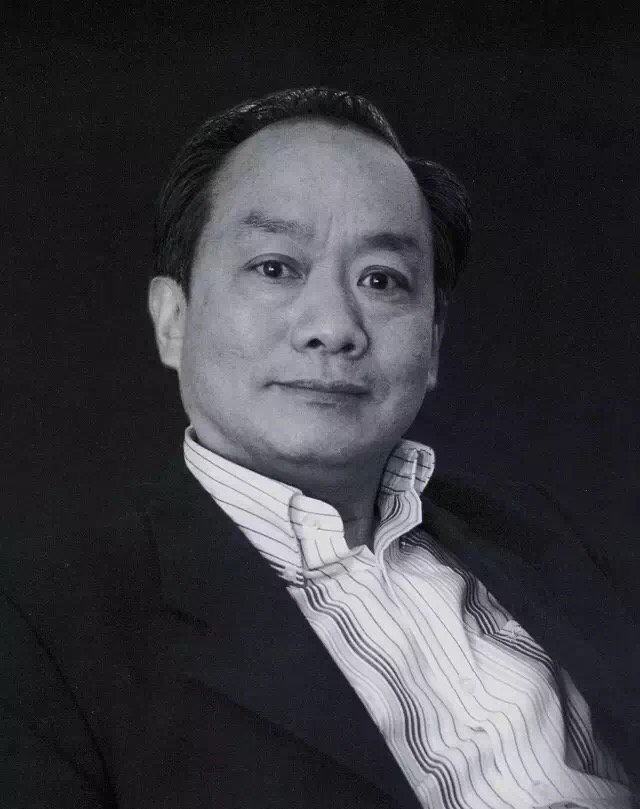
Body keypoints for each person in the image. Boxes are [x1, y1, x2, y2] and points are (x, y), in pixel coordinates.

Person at [1, 87, 638, 809]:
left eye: (381, 279)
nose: (333, 327)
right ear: (172, 319)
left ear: (432, 343)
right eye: (275, 267)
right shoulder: (44, 623)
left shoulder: (541, 532)